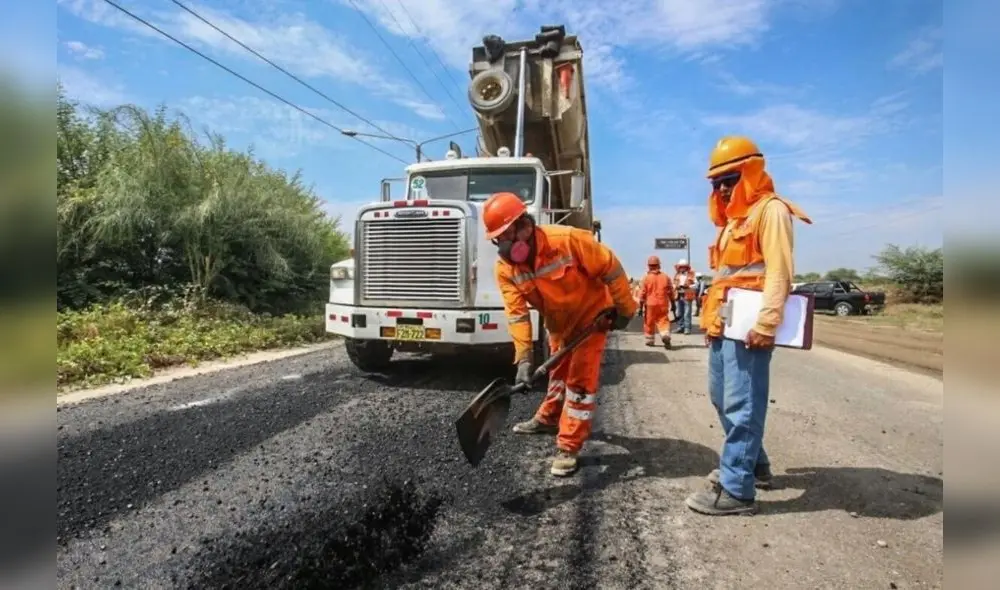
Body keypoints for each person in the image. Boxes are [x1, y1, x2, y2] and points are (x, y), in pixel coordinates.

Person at [686, 135, 812, 516]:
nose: (723, 189)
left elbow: (779, 271)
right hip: (725, 325)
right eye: (717, 183)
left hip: (750, 327)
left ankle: (737, 489)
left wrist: (768, 323)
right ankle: (755, 465)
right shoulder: (732, 222)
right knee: (720, 397)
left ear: (751, 172)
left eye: (730, 179)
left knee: (743, 404)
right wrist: (712, 324)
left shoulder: (770, 211)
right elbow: (724, 279)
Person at [482, 192, 637, 477]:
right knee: (557, 373)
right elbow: (517, 314)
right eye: (497, 239)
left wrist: (625, 309)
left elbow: (611, 267)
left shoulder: (567, 240)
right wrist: (524, 358)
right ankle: (549, 417)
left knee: (579, 383)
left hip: (592, 318)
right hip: (558, 324)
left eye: (505, 236)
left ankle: (569, 445)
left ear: (524, 226)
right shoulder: (505, 269)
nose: (502, 246)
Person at [639, 255, 673, 349]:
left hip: (650, 304)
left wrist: (640, 308)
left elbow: (642, 294)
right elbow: (670, 292)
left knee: (649, 322)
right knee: (663, 320)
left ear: (649, 266)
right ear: (659, 265)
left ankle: (650, 340)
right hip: (663, 303)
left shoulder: (646, 278)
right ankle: (665, 335)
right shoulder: (665, 277)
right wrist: (673, 304)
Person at [672, 259, 697, 334]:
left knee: (687, 313)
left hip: (687, 295)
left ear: (686, 267)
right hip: (679, 295)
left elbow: (696, 285)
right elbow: (673, 283)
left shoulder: (691, 274)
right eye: (681, 267)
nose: (682, 268)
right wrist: (676, 286)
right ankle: (681, 327)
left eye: (684, 267)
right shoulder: (677, 275)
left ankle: (687, 328)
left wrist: (688, 286)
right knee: (680, 313)